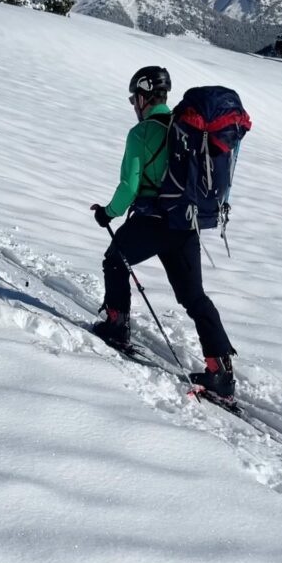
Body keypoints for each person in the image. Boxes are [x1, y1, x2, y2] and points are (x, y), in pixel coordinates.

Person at [90, 65, 237, 398]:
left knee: (115, 261)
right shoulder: (184, 128)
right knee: (193, 296)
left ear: (143, 96)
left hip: (152, 221)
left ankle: (116, 324)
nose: (133, 103)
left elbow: (129, 186)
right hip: (185, 224)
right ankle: (221, 370)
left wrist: (107, 213)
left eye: (133, 98)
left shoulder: (140, 134)